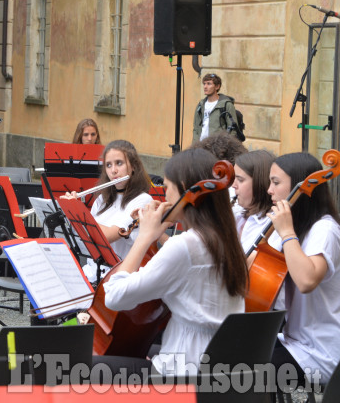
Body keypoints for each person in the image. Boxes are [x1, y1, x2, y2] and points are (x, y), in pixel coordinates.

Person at [94, 148, 248, 380]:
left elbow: (114, 296)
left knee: (84, 365)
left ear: (185, 189)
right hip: (218, 367)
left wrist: (145, 237)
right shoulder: (226, 239)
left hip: (181, 374)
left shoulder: (185, 246)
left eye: (167, 188)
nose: (164, 198)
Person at [265, 152, 340, 393]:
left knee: (237, 377)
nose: (269, 190)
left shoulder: (324, 229)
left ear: (302, 187)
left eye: (276, 183)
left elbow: (307, 280)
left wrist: (287, 233)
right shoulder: (291, 228)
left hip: (320, 353)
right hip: (293, 341)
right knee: (226, 361)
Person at [76, 140, 153, 282]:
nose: (113, 171)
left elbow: (107, 236)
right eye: (108, 165)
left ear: (133, 166)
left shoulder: (142, 200)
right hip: (92, 273)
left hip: (118, 278)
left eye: (119, 163)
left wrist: (76, 212)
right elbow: (85, 237)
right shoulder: (101, 200)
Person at [231, 149, 275, 255]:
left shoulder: (273, 226)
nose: (233, 185)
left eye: (240, 180)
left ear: (260, 183)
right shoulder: (237, 214)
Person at [191, 73, 240, 143]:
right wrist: (194, 146)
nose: (205, 86)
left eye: (209, 84)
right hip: (201, 146)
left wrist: (225, 146)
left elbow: (233, 130)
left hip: (217, 146)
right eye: (204, 84)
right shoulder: (201, 105)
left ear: (217, 86)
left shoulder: (226, 105)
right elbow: (196, 128)